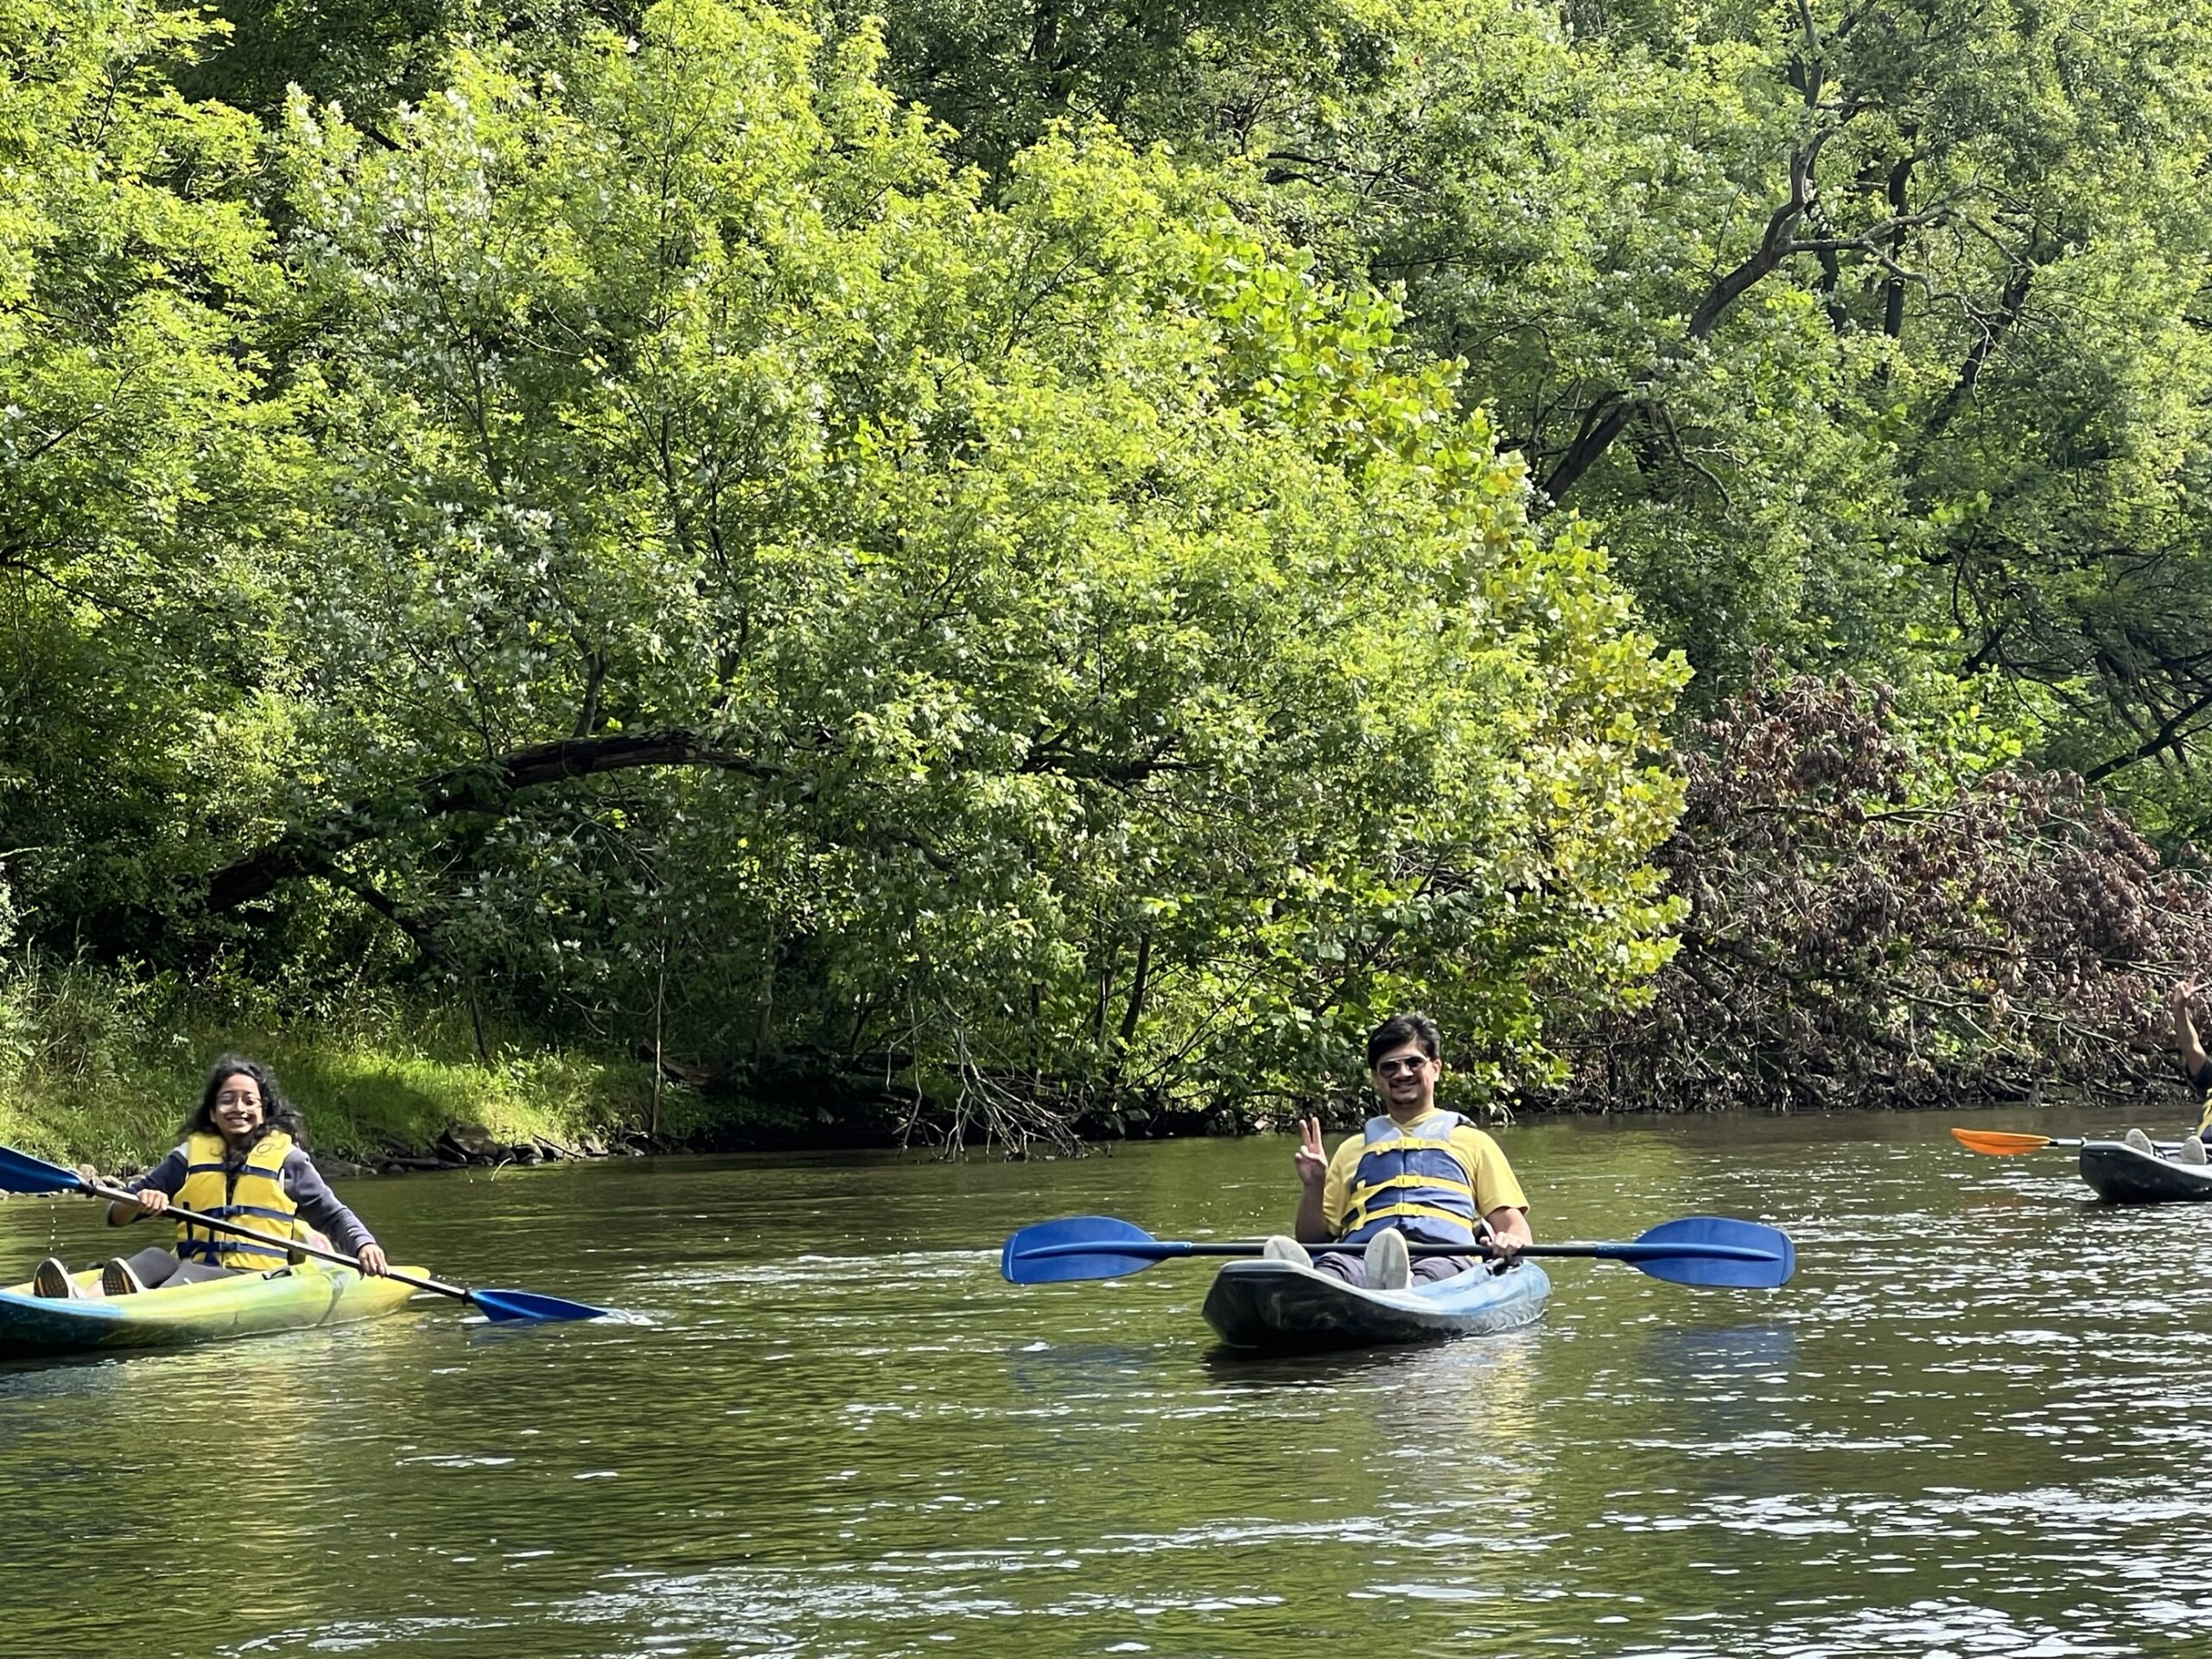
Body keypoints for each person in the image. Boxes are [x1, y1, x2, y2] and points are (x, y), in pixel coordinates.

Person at [30, 1055, 390, 1300]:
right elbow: (115, 1214)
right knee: (156, 1256)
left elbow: (332, 1214)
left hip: (255, 1280)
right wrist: (144, 1203)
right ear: (214, 1113)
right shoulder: (190, 1155)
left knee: (194, 1274)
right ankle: (82, 1299)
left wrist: (365, 1245)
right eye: (228, 1100)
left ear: (264, 1112)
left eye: (249, 1101)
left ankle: (128, 1302)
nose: (239, 1108)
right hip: (195, 1267)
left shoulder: (288, 1160)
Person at [1265, 1011, 1535, 1291]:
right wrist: (1314, 1186)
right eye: (1389, 1067)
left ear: (1436, 1068)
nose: (1402, 1073)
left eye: (1413, 1063)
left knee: (1432, 1275)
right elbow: (1314, 1240)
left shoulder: (1473, 1143)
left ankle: (1400, 1287)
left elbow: (1514, 1226)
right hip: (1359, 1256)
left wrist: (1511, 1241)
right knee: (1334, 1266)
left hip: (1444, 1258)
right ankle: (1307, 1283)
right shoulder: (1352, 1150)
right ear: (1376, 1078)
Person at [2126, 981, 2212, 1166]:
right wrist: (2179, 1007)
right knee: (2189, 1152)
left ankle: (2191, 1161)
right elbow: (2190, 1046)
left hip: (2203, 1162)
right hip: (2203, 1156)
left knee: (2194, 1153)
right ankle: (2147, 1159)